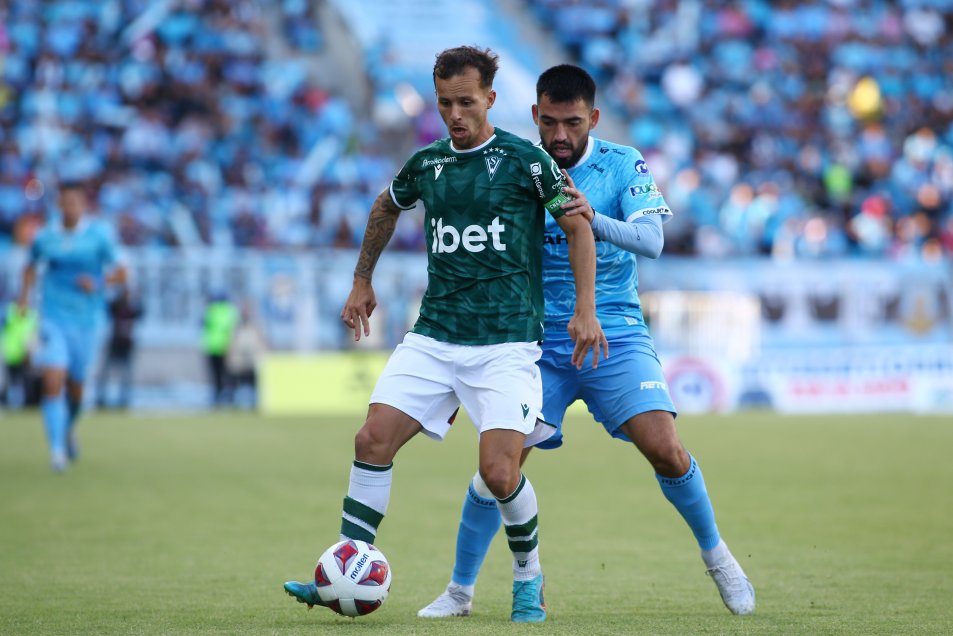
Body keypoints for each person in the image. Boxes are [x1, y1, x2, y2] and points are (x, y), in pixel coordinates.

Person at [417, 64, 756, 618]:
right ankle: (460, 591)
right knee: (497, 469)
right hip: (532, 342)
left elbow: (651, 241)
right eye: (548, 122)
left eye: (571, 123)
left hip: (615, 329)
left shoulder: (622, 163)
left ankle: (718, 557)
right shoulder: (515, 165)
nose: (559, 136)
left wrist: (592, 218)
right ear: (533, 116)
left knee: (667, 449)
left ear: (593, 118)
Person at [282, 46, 607, 623]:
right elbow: (386, 206)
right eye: (444, 103)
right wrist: (362, 281)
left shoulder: (525, 161)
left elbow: (578, 226)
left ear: (490, 100)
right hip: (434, 337)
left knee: (500, 472)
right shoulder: (427, 163)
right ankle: (346, 567)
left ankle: (529, 580)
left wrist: (586, 307)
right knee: (370, 441)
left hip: (505, 342)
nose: (454, 114)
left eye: (465, 102)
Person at [17, 180, 127, 472]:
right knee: (53, 381)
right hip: (52, 318)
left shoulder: (98, 236)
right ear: (59, 204)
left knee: (76, 387)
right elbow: (29, 267)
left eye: (75, 202)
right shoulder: (46, 236)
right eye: (65, 202)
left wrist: (99, 283)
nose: (70, 207)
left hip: (87, 321)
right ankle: (57, 452)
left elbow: (122, 273)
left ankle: (68, 428)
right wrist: (24, 301)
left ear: (84, 204)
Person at [95, 285, 144, 409]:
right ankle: (101, 397)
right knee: (105, 373)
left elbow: (142, 312)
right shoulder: (116, 307)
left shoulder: (132, 310)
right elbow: (108, 306)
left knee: (126, 374)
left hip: (127, 345)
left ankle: (124, 398)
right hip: (114, 343)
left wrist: (138, 298)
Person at [225, 302, 266, 409]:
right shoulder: (237, 327)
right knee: (234, 383)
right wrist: (230, 357)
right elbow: (232, 344)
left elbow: (261, 343)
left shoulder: (256, 327)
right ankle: (233, 403)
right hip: (239, 361)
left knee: (255, 384)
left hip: (252, 361)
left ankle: (255, 404)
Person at [201, 292, 239, 407]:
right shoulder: (231, 311)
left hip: (214, 347)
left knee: (217, 375)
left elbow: (204, 325)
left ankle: (219, 397)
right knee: (227, 374)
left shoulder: (211, 310)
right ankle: (227, 397)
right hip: (225, 347)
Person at [2, 298, 38, 409]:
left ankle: (19, 404)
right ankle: (12, 404)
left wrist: (31, 351)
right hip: (9, 353)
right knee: (11, 380)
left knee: (22, 380)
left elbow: (33, 334)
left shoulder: (32, 315)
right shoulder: (9, 313)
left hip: (25, 355)